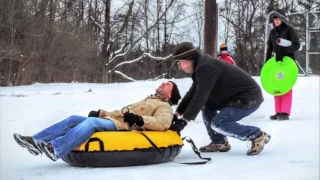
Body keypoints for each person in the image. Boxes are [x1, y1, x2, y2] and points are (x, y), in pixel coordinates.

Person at [13, 81, 181, 161]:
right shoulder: (147, 100)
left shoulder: (164, 106)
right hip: (114, 120)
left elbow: (163, 123)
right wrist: (101, 112)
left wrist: (139, 119)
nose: (163, 83)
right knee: (73, 119)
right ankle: (35, 142)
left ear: (169, 95)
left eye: (168, 85)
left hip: (122, 128)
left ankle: (55, 149)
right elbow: (119, 113)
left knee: (90, 123)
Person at [169, 42, 271, 156]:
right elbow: (192, 94)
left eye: (179, 63)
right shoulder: (200, 66)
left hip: (248, 97)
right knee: (206, 105)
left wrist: (183, 121)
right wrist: (176, 115)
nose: (179, 67)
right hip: (232, 98)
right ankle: (219, 141)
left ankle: (257, 135)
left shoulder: (206, 67)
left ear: (188, 59)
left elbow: (201, 96)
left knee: (218, 123)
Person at [265, 9, 300, 120]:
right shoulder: (272, 32)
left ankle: (285, 112)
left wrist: (284, 52)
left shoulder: (290, 30)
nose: (276, 21)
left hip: (288, 61)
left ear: (282, 19)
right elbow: (270, 47)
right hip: (277, 62)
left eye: (278, 19)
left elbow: (296, 45)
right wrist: (267, 60)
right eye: (274, 19)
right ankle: (278, 111)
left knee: (286, 86)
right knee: (277, 86)